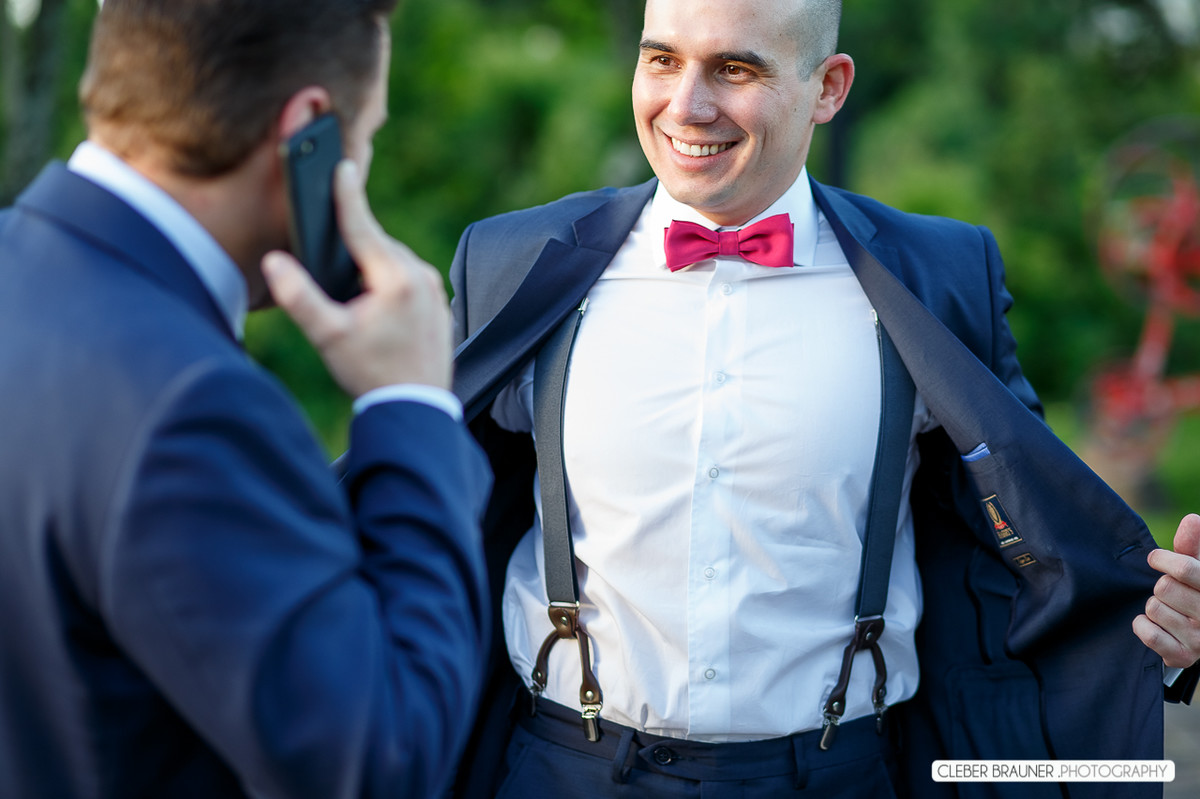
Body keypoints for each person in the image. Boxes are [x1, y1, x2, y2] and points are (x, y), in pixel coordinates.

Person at [447, 0, 1200, 796]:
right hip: (566, 768)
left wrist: (1155, 625)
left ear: (829, 87)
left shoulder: (938, 277)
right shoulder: (510, 263)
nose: (687, 104)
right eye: (662, 59)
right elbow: (432, 520)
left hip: (838, 773)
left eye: (736, 69)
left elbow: (1028, 536)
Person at [0, 1, 490, 797]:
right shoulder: (191, 409)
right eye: (365, 138)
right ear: (308, 131)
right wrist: (411, 405)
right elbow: (381, 761)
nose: (360, 164)